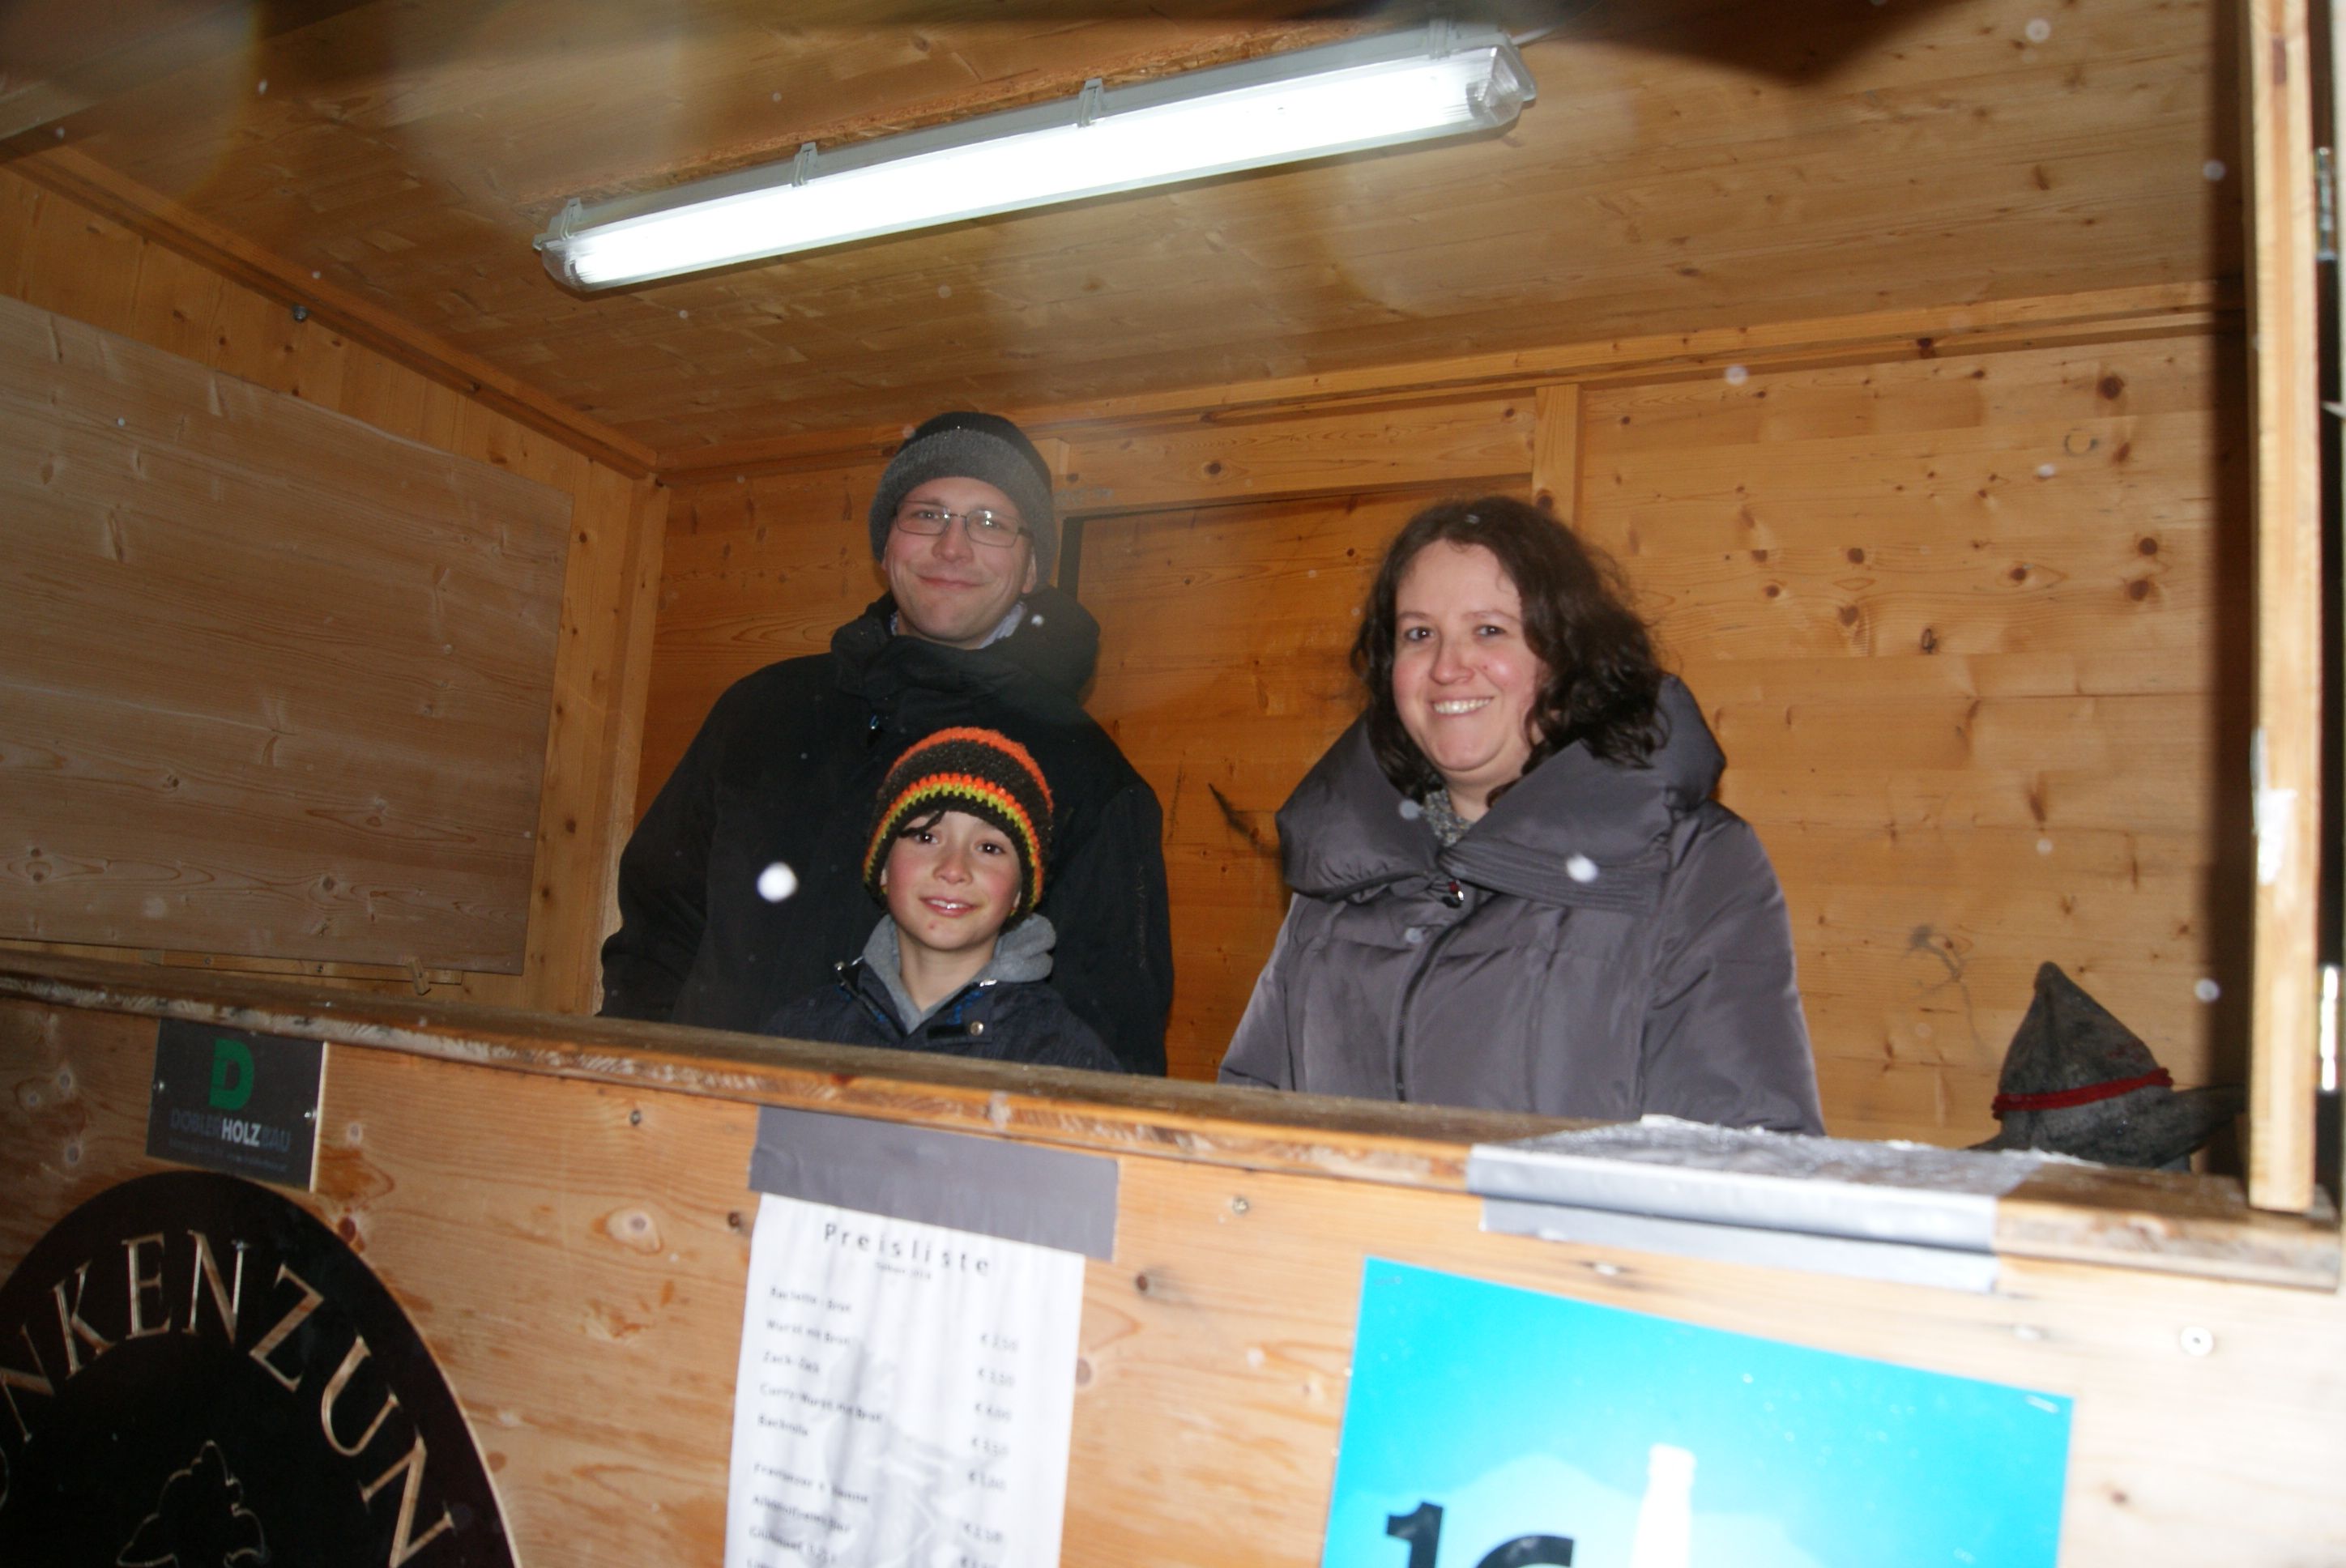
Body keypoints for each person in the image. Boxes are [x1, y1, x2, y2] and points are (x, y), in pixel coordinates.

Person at [1219, 495, 1823, 1131]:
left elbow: (1737, 1149)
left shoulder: (1691, 867)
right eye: (1419, 634)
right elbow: (1253, 1115)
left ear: (1566, 653)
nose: (1447, 667)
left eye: (1489, 630)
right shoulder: (1345, 867)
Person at [599, 411, 1173, 1074]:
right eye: (927, 515)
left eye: (990, 522)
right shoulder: (761, 712)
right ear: (885, 545)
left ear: (1031, 567)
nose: (952, 547)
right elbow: (659, 927)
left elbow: (1112, 1033)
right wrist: (635, 1075)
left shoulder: (1088, 774)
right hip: (709, 1109)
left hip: (926, 1136)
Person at [762, 728, 1124, 1072]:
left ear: (1020, 892)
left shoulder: (1067, 1061)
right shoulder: (801, 1036)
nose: (953, 869)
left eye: (989, 848)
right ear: (883, 867)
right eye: (926, 837)